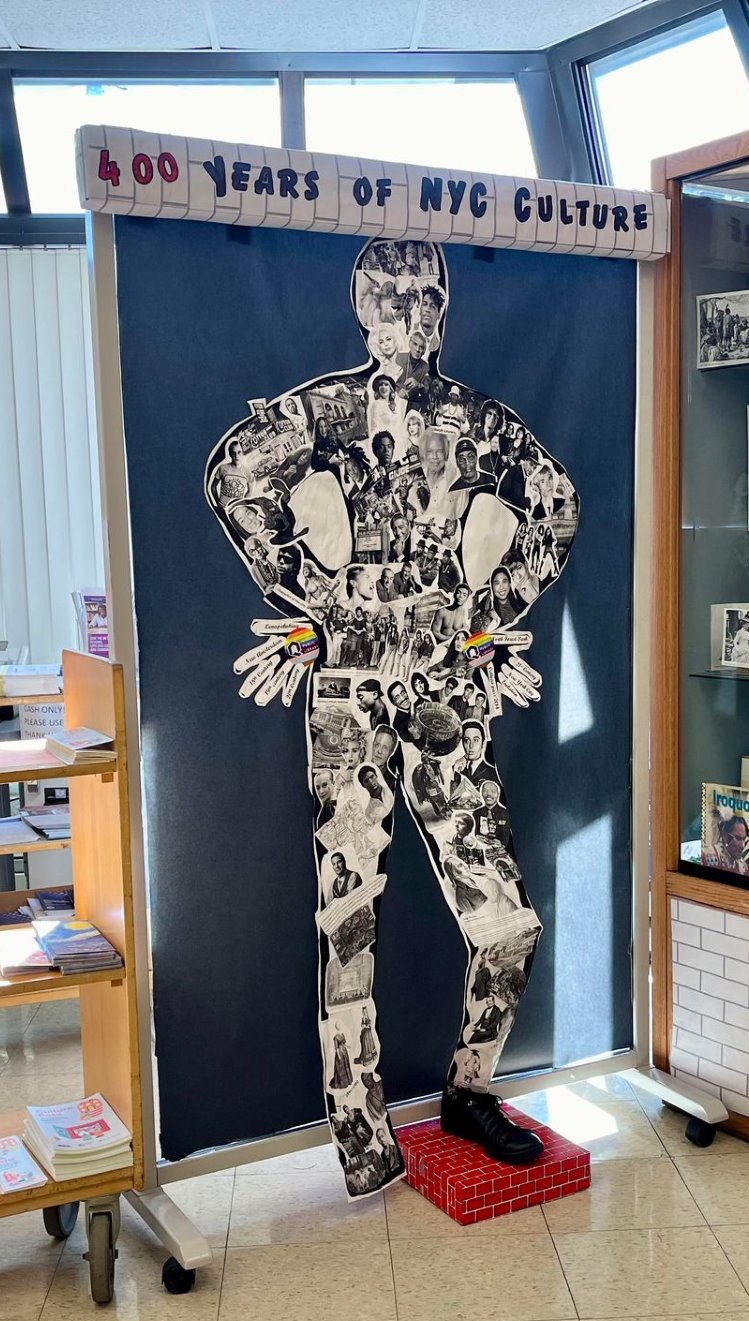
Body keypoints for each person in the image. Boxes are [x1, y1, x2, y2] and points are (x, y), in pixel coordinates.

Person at [206, 239, 575, 1196]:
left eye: (426, 299)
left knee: (505, 920)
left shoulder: (478, 422)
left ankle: (469, 1086)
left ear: (444, 308)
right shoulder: (327, 411)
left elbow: (556, 507)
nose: (412, 318)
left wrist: (484, 612)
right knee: (348, 912)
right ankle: (359, 1120)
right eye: (392, 300)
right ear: (363, 310)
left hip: (445, 684)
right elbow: (234, 478)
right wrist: (313, 595)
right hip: (350, 686)